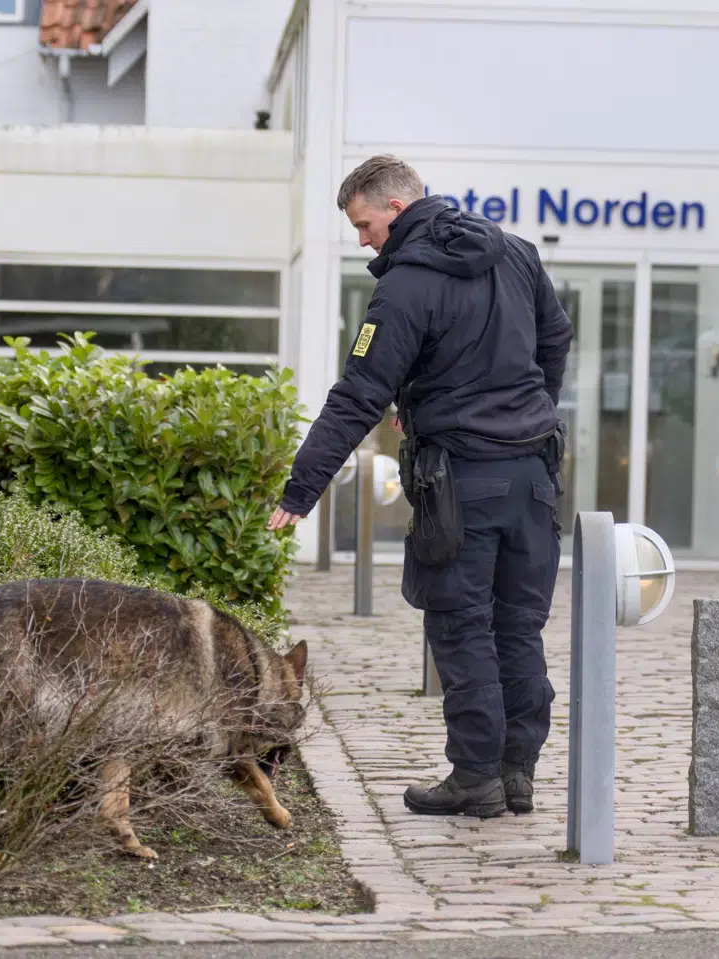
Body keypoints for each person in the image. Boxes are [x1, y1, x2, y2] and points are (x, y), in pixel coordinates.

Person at [267, 155, 574, 818]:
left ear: (397, 210)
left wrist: (300, 491)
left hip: (461, 479)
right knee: (519, 628)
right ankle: (517, 772)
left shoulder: (407, 285)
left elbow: (358, 394)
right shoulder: (517, 253)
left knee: (463, 625)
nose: (362, 239)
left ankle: (476, 777)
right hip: (533, 477)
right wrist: (534, 410)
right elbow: (557, 335)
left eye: (364, 223)